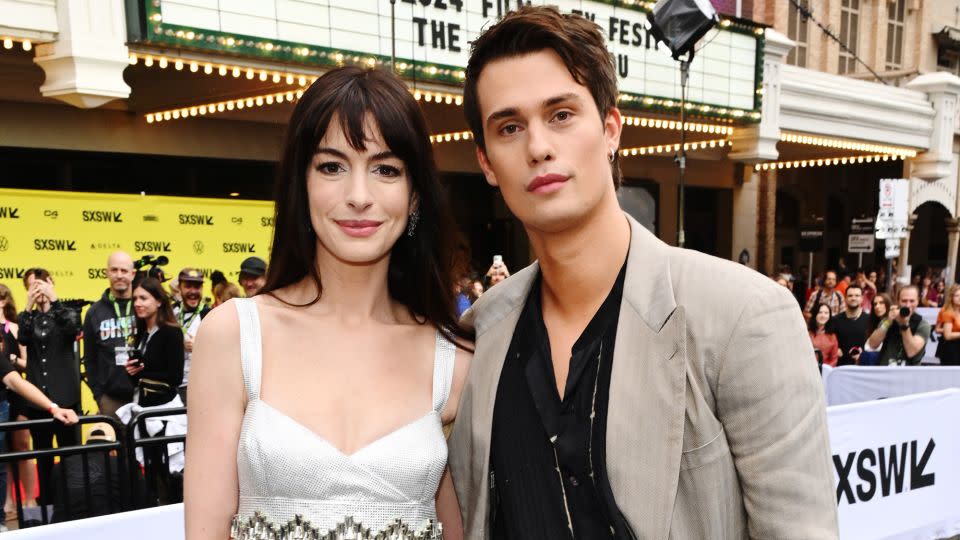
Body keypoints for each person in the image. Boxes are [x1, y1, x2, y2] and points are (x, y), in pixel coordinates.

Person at [448, 7, 837, 539]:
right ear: (488, 162)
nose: (538, 146)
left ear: (610, 129)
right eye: (510, 127)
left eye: (561, 114)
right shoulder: (481, 332)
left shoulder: (742, 316)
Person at [184, 66, 473, 538]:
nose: (359, 196)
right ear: (302, 184)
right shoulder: (235, 336)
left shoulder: (455, 360)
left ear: (415, 195)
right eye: (332, 166)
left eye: (386, 169)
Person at [17, 269, 82, 505]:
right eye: (33, 286)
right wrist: (28, 305)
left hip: (66, 396)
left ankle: (73, 499)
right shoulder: (28, 318)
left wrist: (54, 300)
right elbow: (22, 338)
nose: (39, 289)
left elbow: (72, 329)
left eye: (42, 284)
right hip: (39, 400)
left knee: (70, 454)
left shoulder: (67, 312)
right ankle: (47, 501)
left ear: (52, 283)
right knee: (43, 454)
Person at [83, 251, 137, 419]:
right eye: (114, 270)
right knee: (117, 445)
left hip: (143, 393)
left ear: (133, 274)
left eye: (124, 271)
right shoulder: (94, 312)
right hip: (111, 397)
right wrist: (99, 396)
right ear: (106, 272)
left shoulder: (143, 305)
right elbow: (90, 359)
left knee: (145, 444)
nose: (119, 275)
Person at [125, 278, 184, 407]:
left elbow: (175, 377)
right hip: (141, 406)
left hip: (164, 411)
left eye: (143, 298)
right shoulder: (141, 333)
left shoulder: (172, 332)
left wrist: (141, 373)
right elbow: (139, 377)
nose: (137, 303)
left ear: (159, 301)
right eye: (134, 299)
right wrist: (131, 370)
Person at [866, 285, 931, 366]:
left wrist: (904, 325)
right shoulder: (889, 319)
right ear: (897, 301)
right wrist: (888, 322)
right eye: (904, 301)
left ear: (918, 301)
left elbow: (911, 351)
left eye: (912, 301)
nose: (908, 305)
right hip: (885, 371)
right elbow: (872, 344)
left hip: (909, 373)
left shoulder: (923, 324)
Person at [173, 269, 211, 404]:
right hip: (173, 388)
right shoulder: (171, 312)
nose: (193, 291)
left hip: (200, 388)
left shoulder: (210, 314)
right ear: (179, 288)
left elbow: (224, 352)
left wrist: (202, 346)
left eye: (197, 287)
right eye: (188, 286)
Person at [830, 285, 869, 366]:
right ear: (845, 298)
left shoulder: (869, 320)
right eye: (850, 295)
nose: (853, 298)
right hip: (840, 368)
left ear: (862, 298)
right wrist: (835, 349)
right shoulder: (835, 320)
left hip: (864, 368)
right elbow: (829, 342)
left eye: (857, 296)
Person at [935, 284, 960, 366]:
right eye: (957, 295)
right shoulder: (946, 311)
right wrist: (948, 330)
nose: (959, 298)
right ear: (951, 297)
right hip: (950, 346)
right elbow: (940, 331)